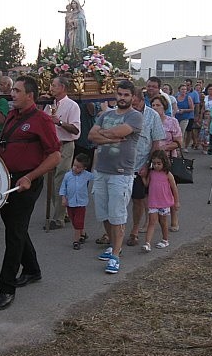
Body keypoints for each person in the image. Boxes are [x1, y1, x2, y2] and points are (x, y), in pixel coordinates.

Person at [0, 76, 61, 309]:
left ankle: (6, 287)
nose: (12, 94)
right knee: (15, 228)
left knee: (14, 233)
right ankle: (32, 270)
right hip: (8, 182)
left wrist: (30, 177)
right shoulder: (12, 115)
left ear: (30, 95)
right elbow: (10, 146)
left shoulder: (41, 120)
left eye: (17, 90)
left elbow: (55, 156)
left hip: (26, 183)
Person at [88, 80, 143, 274]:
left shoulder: (135, 117)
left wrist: (104, 135)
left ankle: (116, 256)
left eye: (126, 95)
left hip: (121, 173)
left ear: (132, 97)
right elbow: (91, 136)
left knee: (118, 215)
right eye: (119, 94)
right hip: (101, 170)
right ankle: (112, 245)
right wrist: (111, 137)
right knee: (104, 213)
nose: (122, 98)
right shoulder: (106, 114)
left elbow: (120, 131)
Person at [126, 88, 165, 248]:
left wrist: (148, 166)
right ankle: (111, 231)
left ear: (140, 100)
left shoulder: (152, 116)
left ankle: (134, 231)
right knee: (117, 200)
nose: (132, 106)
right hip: (122, 164)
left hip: (140, 165)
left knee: (137, 200)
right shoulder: (123, 113)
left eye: (134, 102)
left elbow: (156, 143)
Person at [42, 76, 81, 229]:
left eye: (54, 85)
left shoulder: (72, 106)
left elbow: (76, 130)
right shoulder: (48, 104)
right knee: (49, 181)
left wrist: (59, 122)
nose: (51, 88)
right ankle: (62, 212)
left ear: (63, 88)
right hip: (50, 147)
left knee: (60, 179)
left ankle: (57, 219)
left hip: (65, 145)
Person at [150, 94, 182, 231]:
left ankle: (174, 218)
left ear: (164, 107)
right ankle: (150, 221)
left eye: (158, 105)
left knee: (170, 188)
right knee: (152, 190)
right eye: (153, 105)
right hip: (152, 159)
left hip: (168, 159)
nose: (155, 108)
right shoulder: (148, 121)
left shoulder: (172, 121)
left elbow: (178, 142)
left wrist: (164, 148)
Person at [140, 150, 179, 252]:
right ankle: (147, 243)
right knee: (152, 222)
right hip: (153, 202)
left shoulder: (168, 174)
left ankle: (165, 239)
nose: (156, 166)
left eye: (159, 163)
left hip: (164, 202)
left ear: (164, 163)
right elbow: (147, 185)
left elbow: (174, 188)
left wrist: (176, 202)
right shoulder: (151, 173)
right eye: (154, 163)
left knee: (163, 222)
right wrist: (143, 177)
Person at [60, 153, 94, 250]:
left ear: (84, 168)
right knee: (73, 220)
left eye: (78, 167)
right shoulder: (68, 175)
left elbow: (96, 177)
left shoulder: (86, 175)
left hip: (81, 203)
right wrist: (63, 198)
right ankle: (82, 233)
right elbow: (63, 187)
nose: (75, 168)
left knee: (78, 221)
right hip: (70, 202)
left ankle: (76, 240)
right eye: (74, 165)